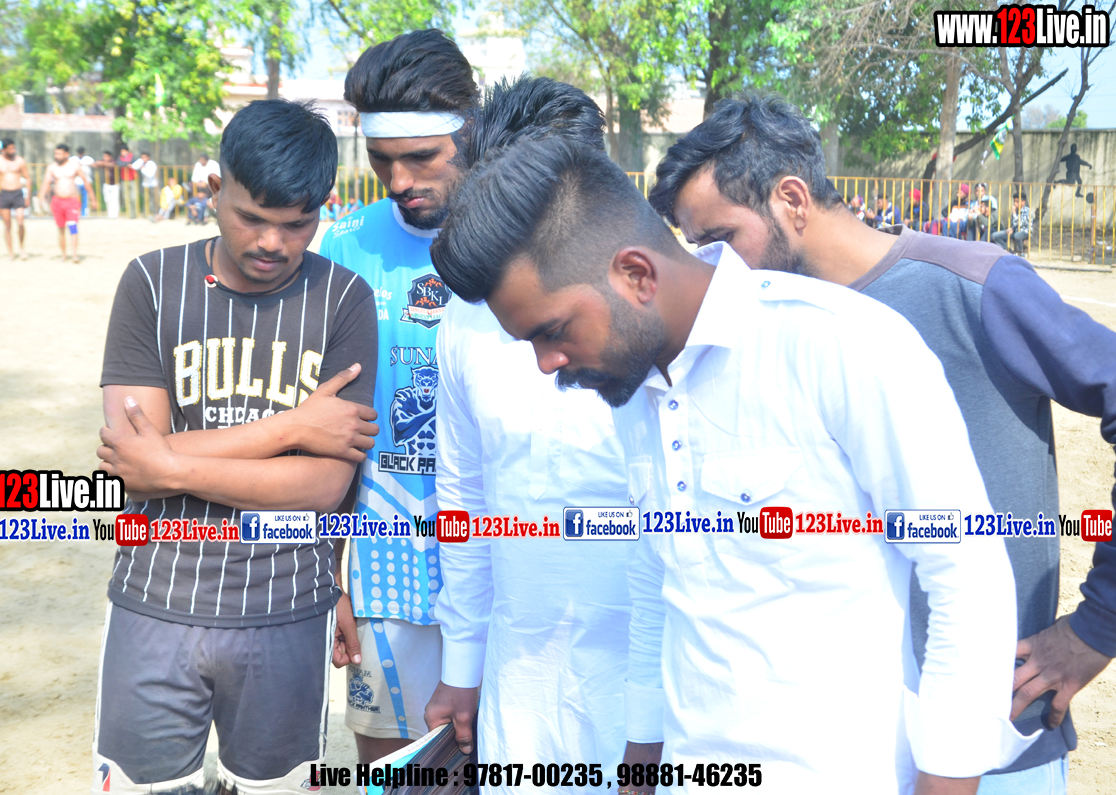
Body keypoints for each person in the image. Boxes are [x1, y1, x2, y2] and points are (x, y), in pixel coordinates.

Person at [432, 134, 1035, 794]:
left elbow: (966, 574)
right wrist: (643, 749)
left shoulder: (839, 344)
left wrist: (946, 778)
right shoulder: (638, 392)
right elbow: (657, 576)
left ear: (636, 275)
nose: (547, 364)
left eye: (552, 331)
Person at [648, 93, 1116, 794]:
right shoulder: (744, 337)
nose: (711, 267)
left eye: (721, 239)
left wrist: (1097, 625)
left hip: (992, 748)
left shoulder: (972, 287)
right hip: (839, 759)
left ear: (792, 200)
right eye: (696, 248)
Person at [92, 98, 380, 795]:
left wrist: (171, 460)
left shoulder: (344, 299)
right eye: (252, 217)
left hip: (288, 605)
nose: (273, 242)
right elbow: (136, 465)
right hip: (156, 597)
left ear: (323, 210)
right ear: (215, 190)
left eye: (297, 224)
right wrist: (291, 429)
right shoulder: (151, 283)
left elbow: (322, 488)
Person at [422, 76, 633, 792]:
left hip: (649, 677)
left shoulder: (654, 310)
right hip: (520, 680)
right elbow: (464, 495)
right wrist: (461, 666)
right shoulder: (464, 319)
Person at [318, 28, 475, 765]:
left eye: (423, 157)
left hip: (503, 564)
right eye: (382, 160)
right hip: (383, 569)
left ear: (469, 134)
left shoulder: (522, 242)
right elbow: (313, 433)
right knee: (393, 769)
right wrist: (330, 578)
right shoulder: (340, 246)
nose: (399, 179)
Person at [39, 143, 97, 262]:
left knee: (73, 227)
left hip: (71, 201)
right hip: (57, 202)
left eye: (59, 154)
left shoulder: (74, 166)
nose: (57, 156)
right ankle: (64, 255)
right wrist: (41, 196)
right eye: (56, 153)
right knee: (61, 229)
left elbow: (86, 181)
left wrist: (93, 198)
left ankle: (74, 254)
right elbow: (46, 182)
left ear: (66, 154)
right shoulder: (52, 167)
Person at [0, 139, 30, 259]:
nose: (13, 151)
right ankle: (11, 252)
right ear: (3, 150)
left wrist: (27, 196)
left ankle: (21, 249)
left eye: (14, 148)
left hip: (17, 193)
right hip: (4, 194)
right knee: (7, 225)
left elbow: (27, 178)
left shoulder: (19, 161)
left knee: (20, 221)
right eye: (10, 149)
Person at [133, 151, 159, 216]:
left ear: (148, 157)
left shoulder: (151, 164)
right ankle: (146, 214)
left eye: (144, 157)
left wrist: (143, 169)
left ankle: (155, 213)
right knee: (145, 200)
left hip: (153, 185)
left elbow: (150, 174)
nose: (143, 159)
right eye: (142, 157)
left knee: (154, 200)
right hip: (145, 184)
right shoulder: (142, 163)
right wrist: (140, 161)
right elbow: (134, 166)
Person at [96, 151, 120, 218]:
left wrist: (104, 164)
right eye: (104, 156)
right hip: (106, 184)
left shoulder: (113, 161)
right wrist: (103, 163)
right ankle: (110, 214)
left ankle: (115, 215)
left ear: (110, 157)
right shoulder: (102, 161)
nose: (104, 158)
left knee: (114, 200)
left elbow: (112, 164)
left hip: (114, 184)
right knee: (107, 199)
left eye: (106, 156)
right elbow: (96, 163)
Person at [117, 147, 139, 219]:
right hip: (124, 179)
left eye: (124, 151)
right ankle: (129, 214)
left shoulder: (132, 156)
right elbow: (119, 163)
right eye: (122, 151)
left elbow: (133, 162)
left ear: (127, 151)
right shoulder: (120, 157)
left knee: (133, 198)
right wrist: (127, 164)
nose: (123, 153)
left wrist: (125, 164)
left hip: (132, 179)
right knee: (126, 198)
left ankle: (135, 213)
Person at [74, 146, 95, 216]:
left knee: (86, 198)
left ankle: (85, 213)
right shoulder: (73, 159)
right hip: (76, 181)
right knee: (76, 198)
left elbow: (94, 164)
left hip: (86, 181)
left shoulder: (88, 159)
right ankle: (77, 213)